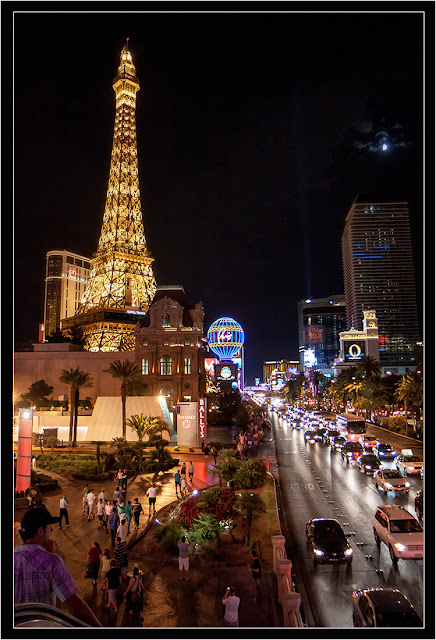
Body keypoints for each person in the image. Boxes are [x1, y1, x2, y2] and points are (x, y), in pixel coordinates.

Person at [14, 507, 102, 626]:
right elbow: (75, 606)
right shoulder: (51, 562)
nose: (52, 529)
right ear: (40, 531)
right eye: (49, 526)